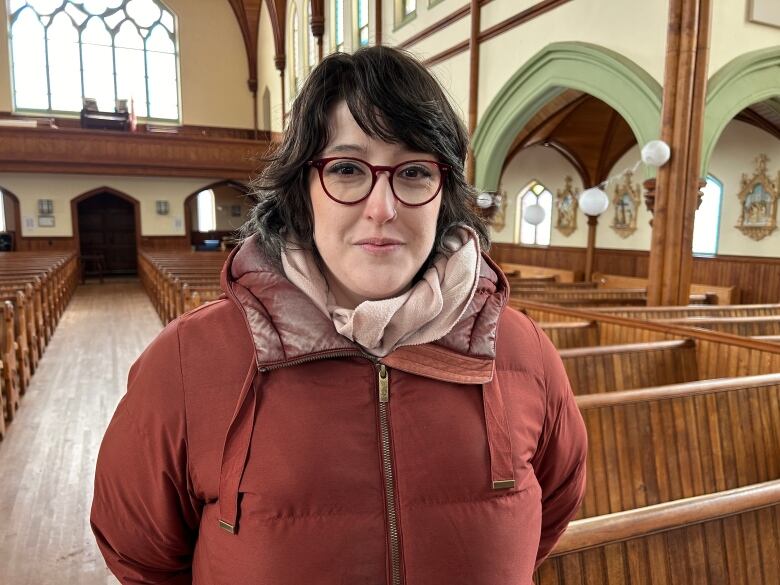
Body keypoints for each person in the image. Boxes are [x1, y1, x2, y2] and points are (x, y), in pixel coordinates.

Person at [91, 46, 587, 585]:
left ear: (444, 193)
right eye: (347, 169)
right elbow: (139, 551)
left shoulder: (523, 351)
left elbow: (550, 509)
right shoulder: (189, 360)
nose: (382, 208)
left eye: (415, 171)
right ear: (303, 189)